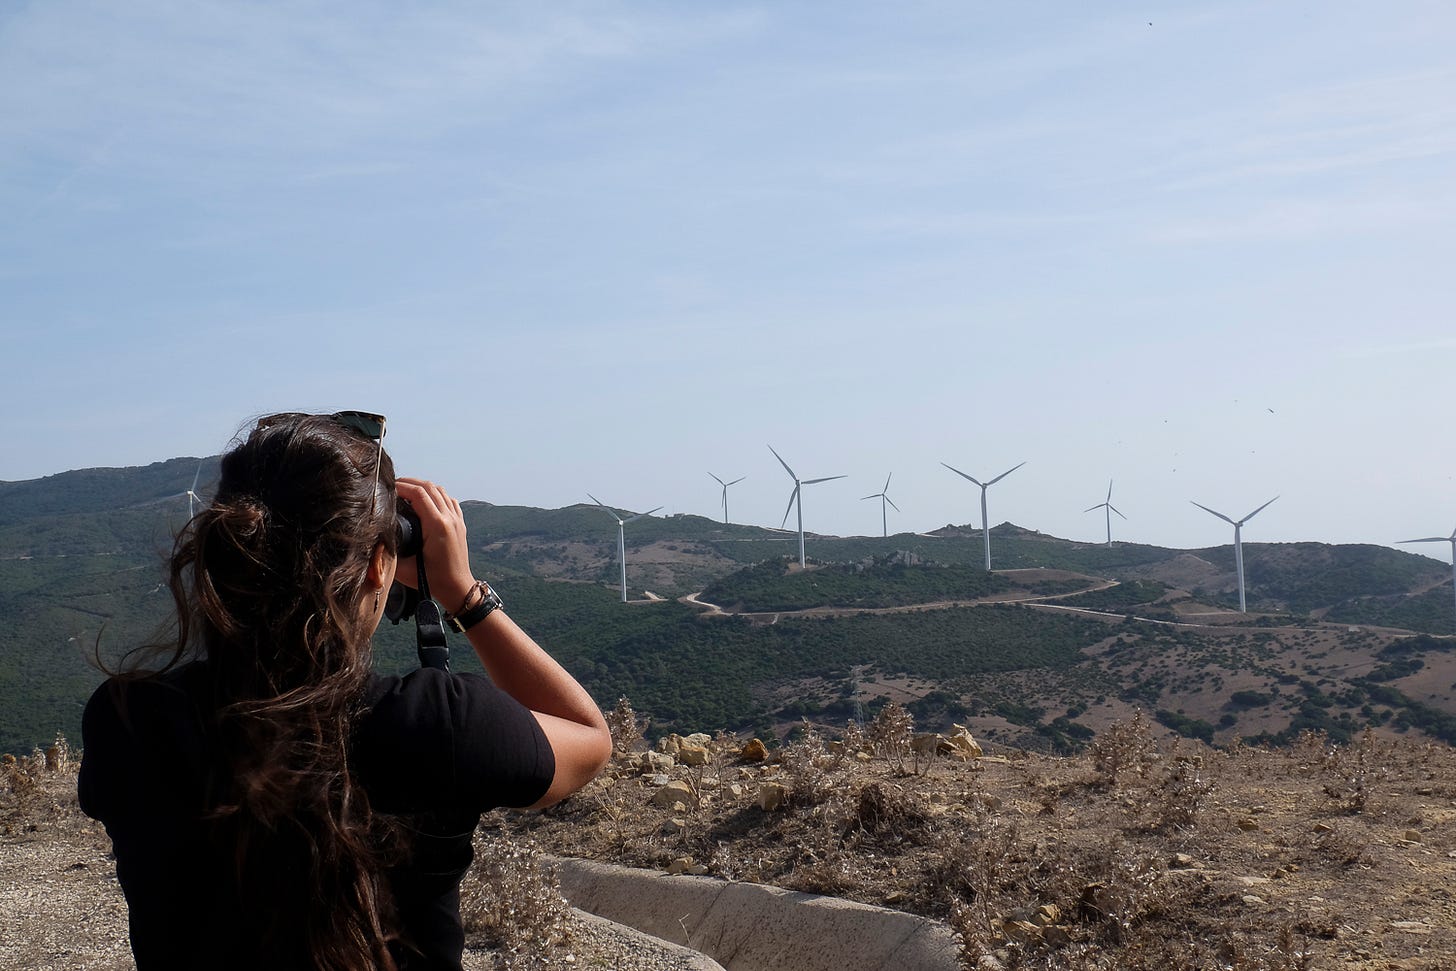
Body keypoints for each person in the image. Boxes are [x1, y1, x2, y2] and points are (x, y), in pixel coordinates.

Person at [77, 412, 612, 971]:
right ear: (381, 566)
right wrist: (463, 594)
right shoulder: (440, 725)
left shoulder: (130, 719)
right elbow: (589, 737)